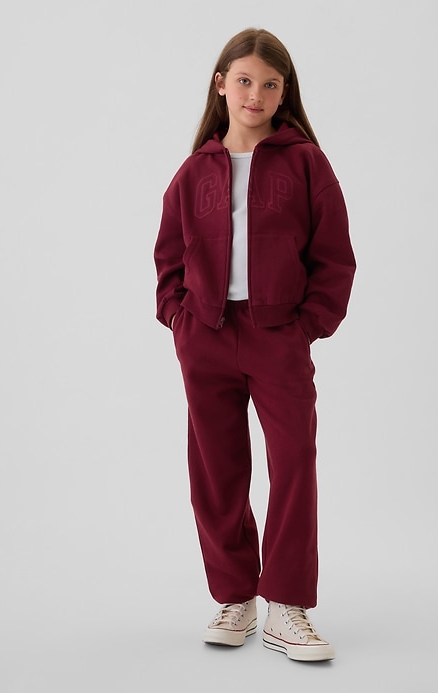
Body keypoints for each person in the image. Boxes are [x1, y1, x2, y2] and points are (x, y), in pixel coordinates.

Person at [154, 27, 356, 662]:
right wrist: (179, 318)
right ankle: (235, 596)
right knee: (217, 472)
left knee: (293, 463)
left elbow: (335, 257)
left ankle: (286, 605)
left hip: (278, 337)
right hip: (206, 336)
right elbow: (167, 257)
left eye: (270, 84)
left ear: (284, 92)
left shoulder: (306, 164)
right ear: (221, 84)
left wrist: (307, 325)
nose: (256, 94)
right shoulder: (194, 172)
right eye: (244, 80)